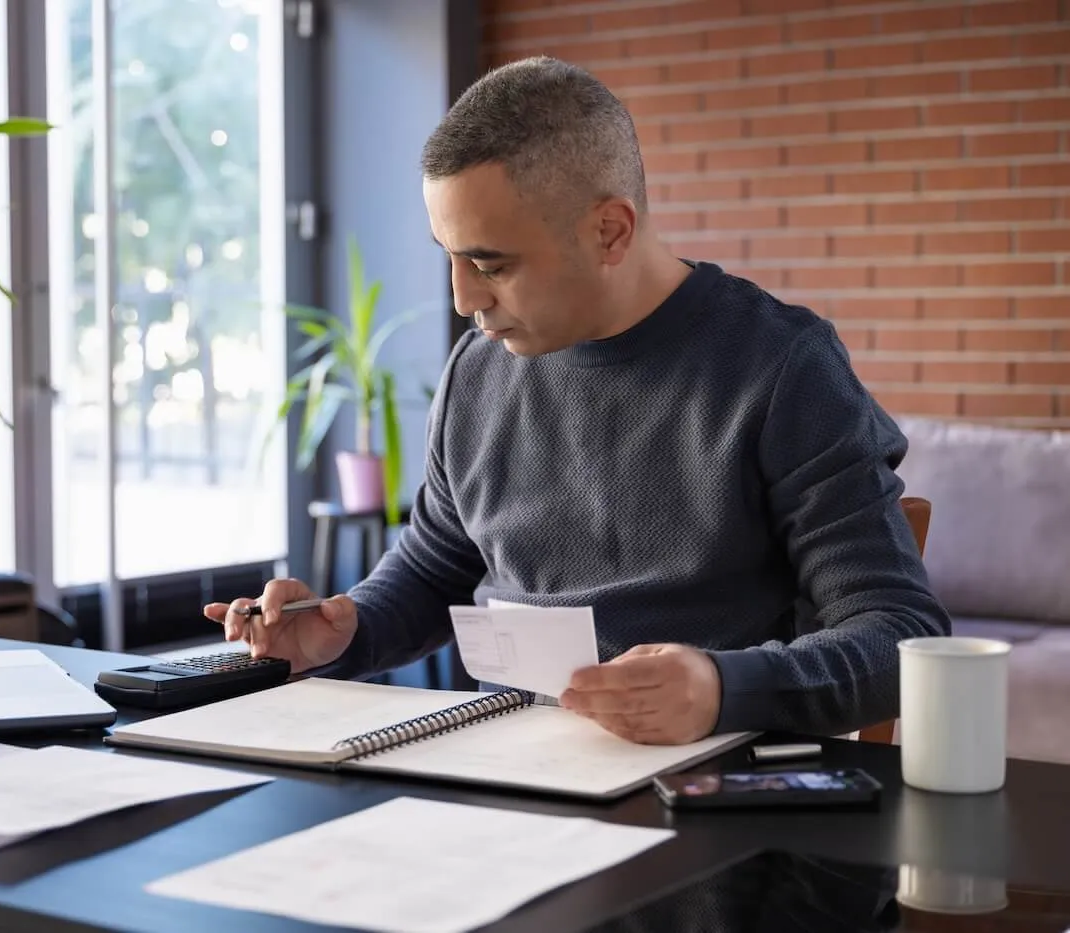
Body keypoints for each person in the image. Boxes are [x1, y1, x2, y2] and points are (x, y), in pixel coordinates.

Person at [205, 56, 950, 745]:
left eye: (490, 264)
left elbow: (900, 634)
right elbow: (437, 568)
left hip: (713, 798)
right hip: (508, 783)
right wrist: (347, 630)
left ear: (610, 230)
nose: (465, 300)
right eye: (451, 258)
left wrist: (724, 686)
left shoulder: (783, 368)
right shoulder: (479, 372)